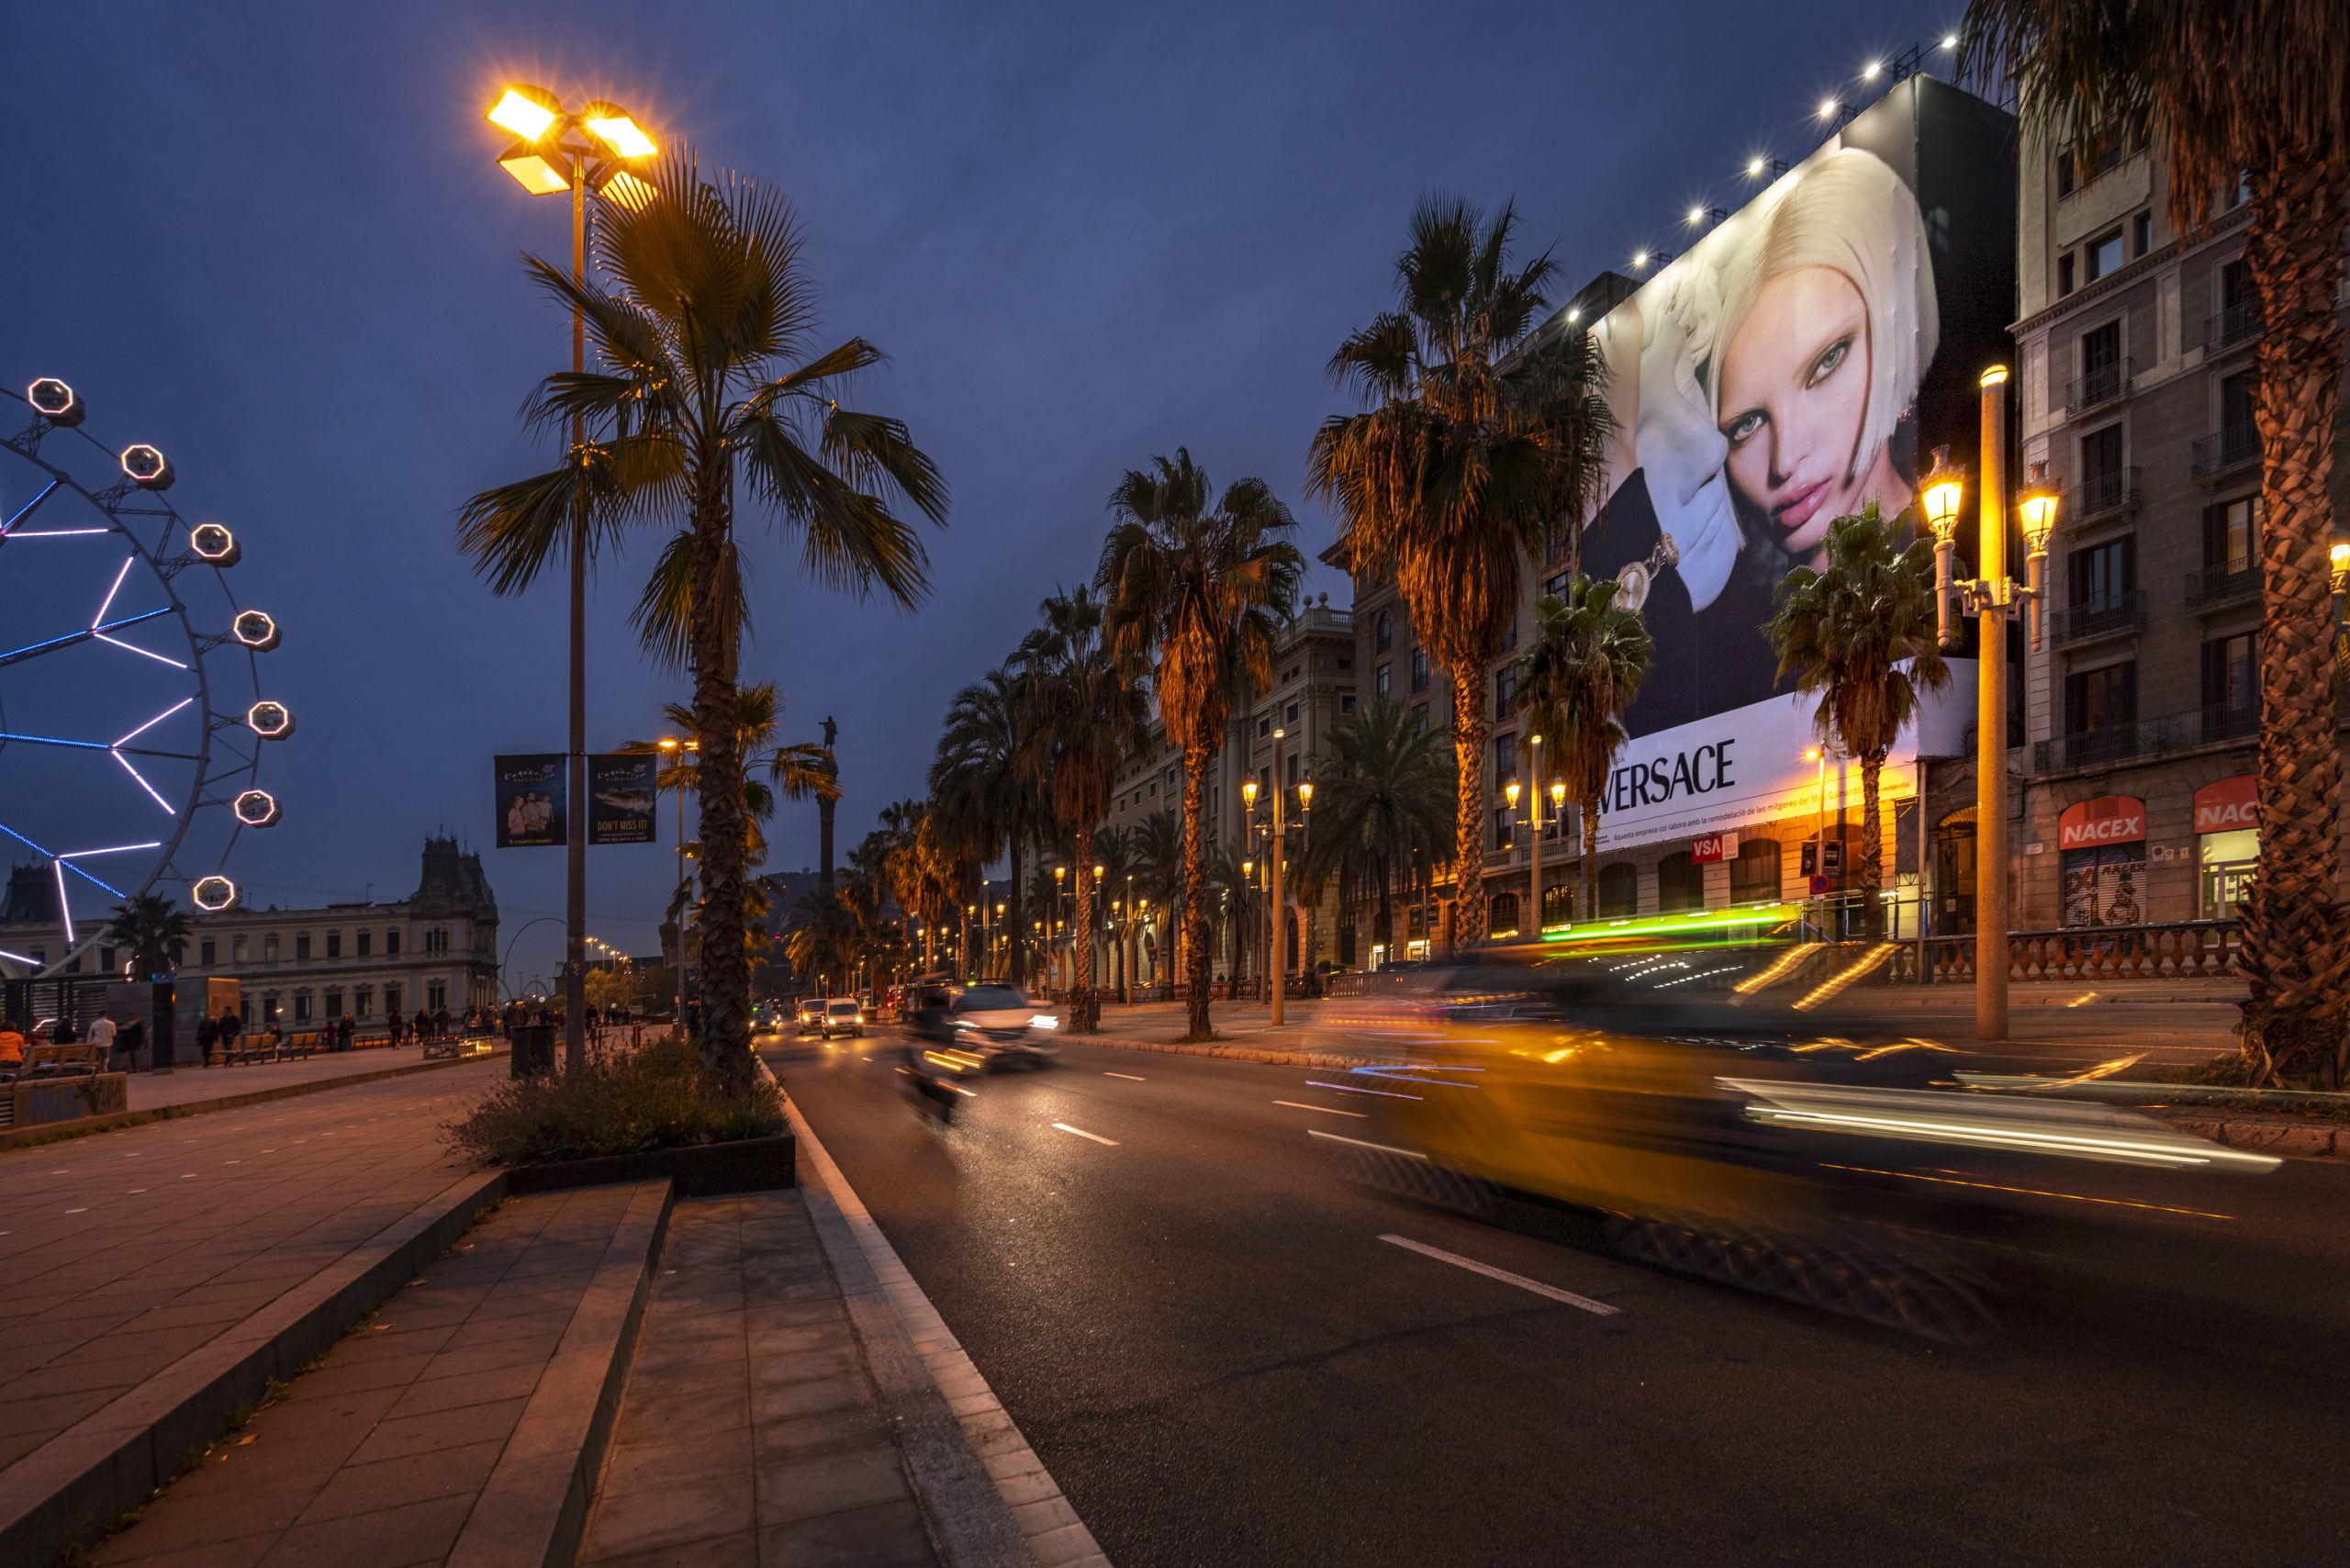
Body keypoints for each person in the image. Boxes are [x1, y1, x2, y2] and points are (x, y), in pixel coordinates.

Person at [1585, 145, 1937, 734]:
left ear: (1893, 334)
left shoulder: (1945, 572)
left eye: (1826, 363)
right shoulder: (1737, 641)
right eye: (1746, 423)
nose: (1786, 459)